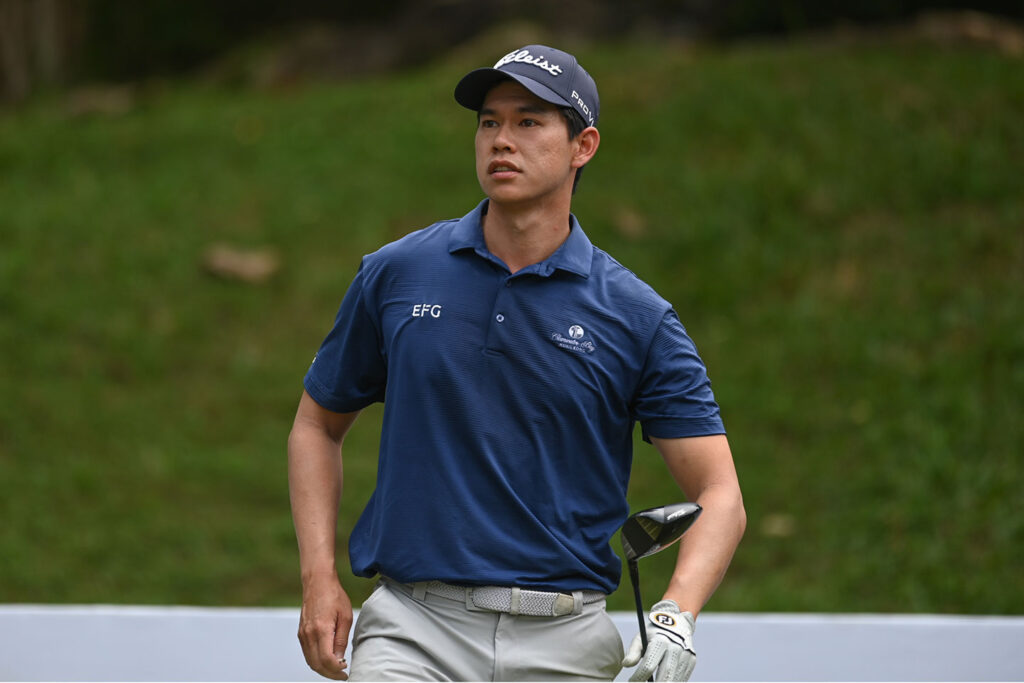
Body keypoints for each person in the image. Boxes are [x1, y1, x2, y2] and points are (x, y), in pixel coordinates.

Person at [288, 44, 746, 682]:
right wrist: (318, 577)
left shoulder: (638, 316)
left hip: (567, 641)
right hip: (414, 629)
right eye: (489, 122)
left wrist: (676, 613)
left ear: (583, 146)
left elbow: (720, 494)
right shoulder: (396, 273)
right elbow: (317, 425)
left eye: (529, 121)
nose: (501, 140)